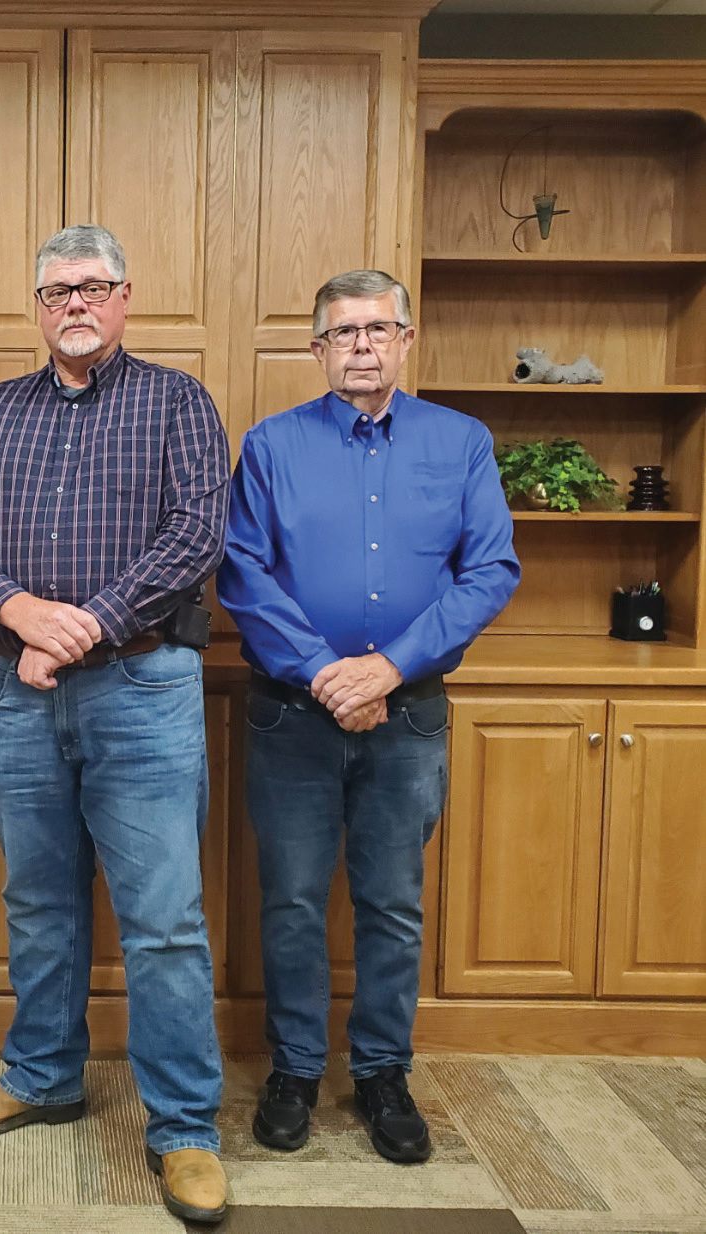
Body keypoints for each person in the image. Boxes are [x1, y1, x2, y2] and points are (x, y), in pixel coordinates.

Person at [0, 224, 230, 1226]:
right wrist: (18, 614)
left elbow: (195, 534)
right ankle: (45, 1075)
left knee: (165, 923)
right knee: (38, 904)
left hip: (141, 690)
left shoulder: (178, 401)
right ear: (37, 305)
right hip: (21, 696)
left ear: (125, 295)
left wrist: (87, 623)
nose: (73, 305)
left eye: (91, 287)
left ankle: (183, 1128)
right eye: (55, 291)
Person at [218, 269, 519, 1164]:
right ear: (316, 349)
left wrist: (387, 667)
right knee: (293, 902)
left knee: (391, 904)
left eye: (376, 330)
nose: (360, 346)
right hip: (291, 717)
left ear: (405, 340)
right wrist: (326, 675)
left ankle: (383, 1073)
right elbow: (242, 573)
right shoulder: (270, 445)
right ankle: (296, 1071)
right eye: (342, 332)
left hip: (410, 713)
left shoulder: (460, 441)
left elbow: (489, 570)